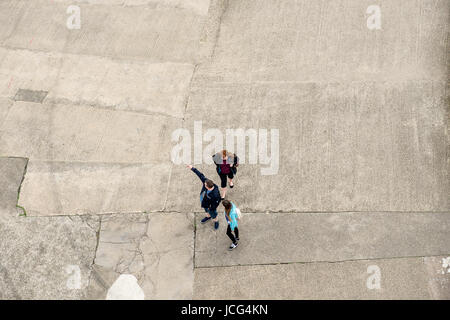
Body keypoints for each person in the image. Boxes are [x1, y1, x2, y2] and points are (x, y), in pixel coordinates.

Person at [187, 165, 221, 230]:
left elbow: (217, 203)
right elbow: (200, 175)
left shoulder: (215, 195)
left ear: (208, 187)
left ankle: (216, 221)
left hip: (210, 206)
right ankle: (208, 217)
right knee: (206, 211)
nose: (204, 184)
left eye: (205, 185)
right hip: (204, 201)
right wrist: (192, 168)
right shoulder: (207, 182)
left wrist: (211, 208)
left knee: (213, 215)